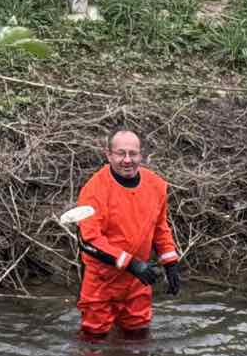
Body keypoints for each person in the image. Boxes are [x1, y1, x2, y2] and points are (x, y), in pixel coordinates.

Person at [75, 129, 180, 340]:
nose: (127, 160)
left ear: (141, 155)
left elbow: (160, 227)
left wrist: (170, 263)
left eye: (133, 153)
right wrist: (131, 263)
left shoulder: (156, 185)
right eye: (120, 153)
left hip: (137, 280)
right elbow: (88, 240)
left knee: (139, 336)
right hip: (102, 280)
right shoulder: (94, 190)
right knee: (93, 339)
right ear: (109, 155)